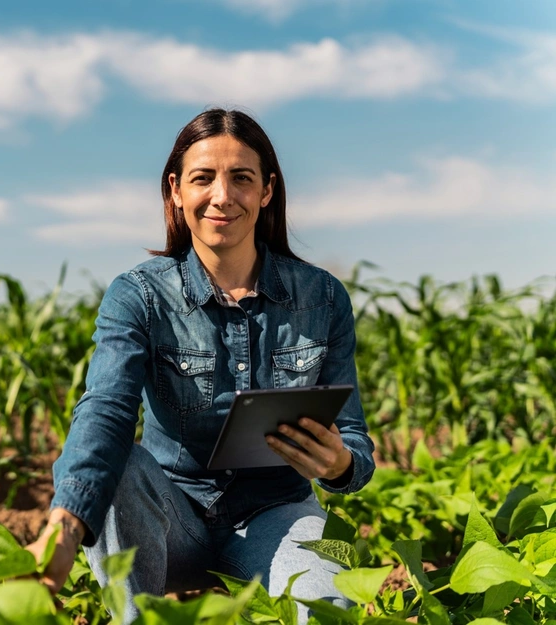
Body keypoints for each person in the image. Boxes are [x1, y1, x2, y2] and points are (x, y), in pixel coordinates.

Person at [25, 108, 375, 624]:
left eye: (242, 178)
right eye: (202, 178)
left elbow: (355, 439)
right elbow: (106, 408)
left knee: (330, 606)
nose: (222, 196)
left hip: (278, 512)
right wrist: (66, 523)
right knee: (121, 460)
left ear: (267, 191)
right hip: (168, 521)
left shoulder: (322, 297)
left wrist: (341, 465)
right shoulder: (139, 295)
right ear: (175, 190)